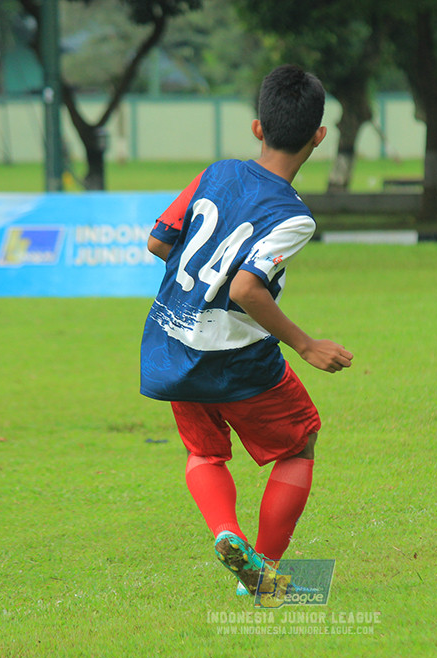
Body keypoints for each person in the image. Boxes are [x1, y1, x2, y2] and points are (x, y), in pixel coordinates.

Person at [139, 65, 353, 597]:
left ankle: (227, 533)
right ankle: (264, 574)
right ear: (319, 137)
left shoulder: (217, 173)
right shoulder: (292, 215)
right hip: (236, 357)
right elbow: (246, 289)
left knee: (204, 453)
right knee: (299, 444)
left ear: (258, 128)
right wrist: (306, 345)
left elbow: (158, 242)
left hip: (172, 342)